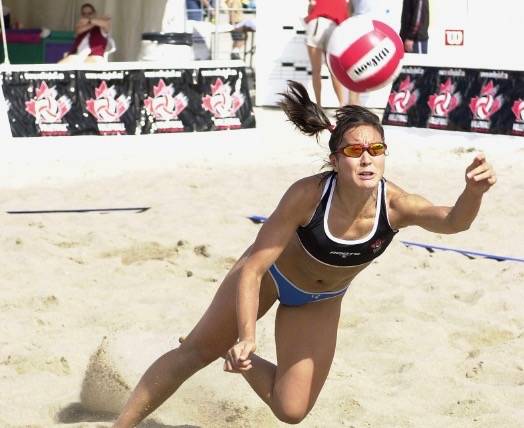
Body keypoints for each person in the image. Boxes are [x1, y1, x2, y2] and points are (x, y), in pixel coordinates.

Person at [113, 80, 496, 427]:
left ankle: (230, 352)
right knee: (194, 353)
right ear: (335, 160)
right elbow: (253, 270)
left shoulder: (396, 205)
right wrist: (249, 335)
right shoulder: (308, 195)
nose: (366, 159)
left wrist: (473, 193)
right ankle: (122, 425)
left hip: (320, 300)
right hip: (269, 278)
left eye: (376, 149)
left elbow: (452, 222)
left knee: (291, 410)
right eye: (354, 150)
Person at [304, 0, 351, 107]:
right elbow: (348, 14)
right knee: (334, 71)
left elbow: (311, 5)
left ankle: (318, 107)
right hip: (333, 26)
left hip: (316, 25)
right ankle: (342, 106)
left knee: (316, 70)